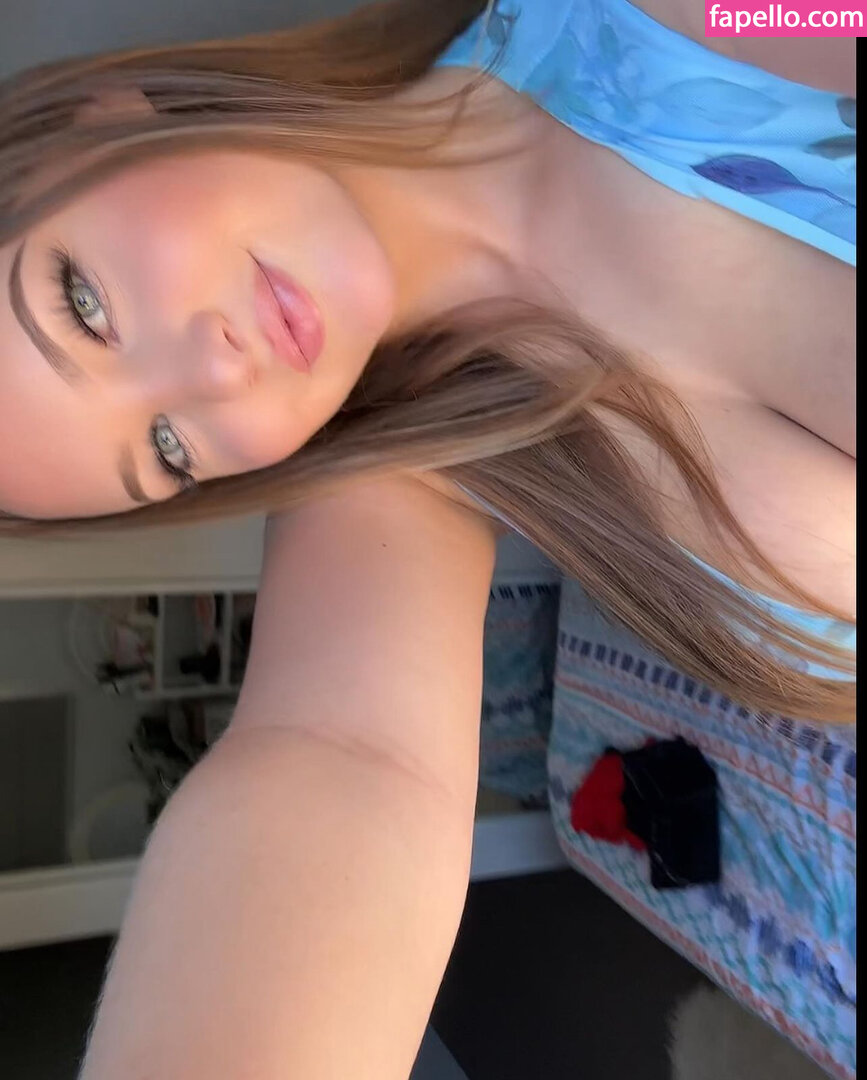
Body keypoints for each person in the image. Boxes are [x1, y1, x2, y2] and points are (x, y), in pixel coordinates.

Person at [0, 0, 855, 1076]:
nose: (214, 370)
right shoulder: (403, 474)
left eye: (83, 305)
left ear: (98, 117)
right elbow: (338, 763)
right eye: (169, 447)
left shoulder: (662, 20)